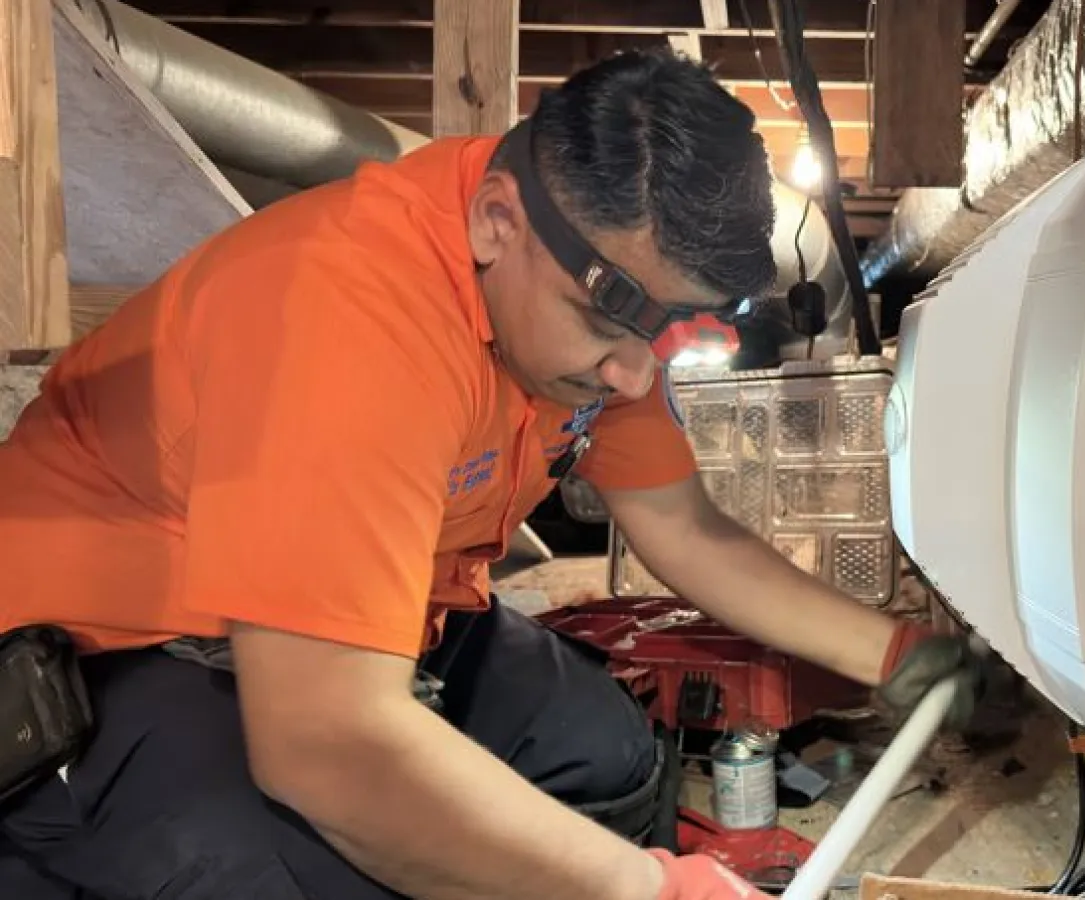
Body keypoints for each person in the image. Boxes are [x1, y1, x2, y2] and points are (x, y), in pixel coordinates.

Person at [0, 50, 981, 900]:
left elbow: (685, 528)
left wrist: (896, 654)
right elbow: (325, 744)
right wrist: (644, 887)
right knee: (304, 864)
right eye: (608, 324)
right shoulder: (342, 321)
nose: (635, 376)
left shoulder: (592, 302)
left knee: (605, 753)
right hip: (105, 654)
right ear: (495, 221)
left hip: (368, 615)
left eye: (668, 332)